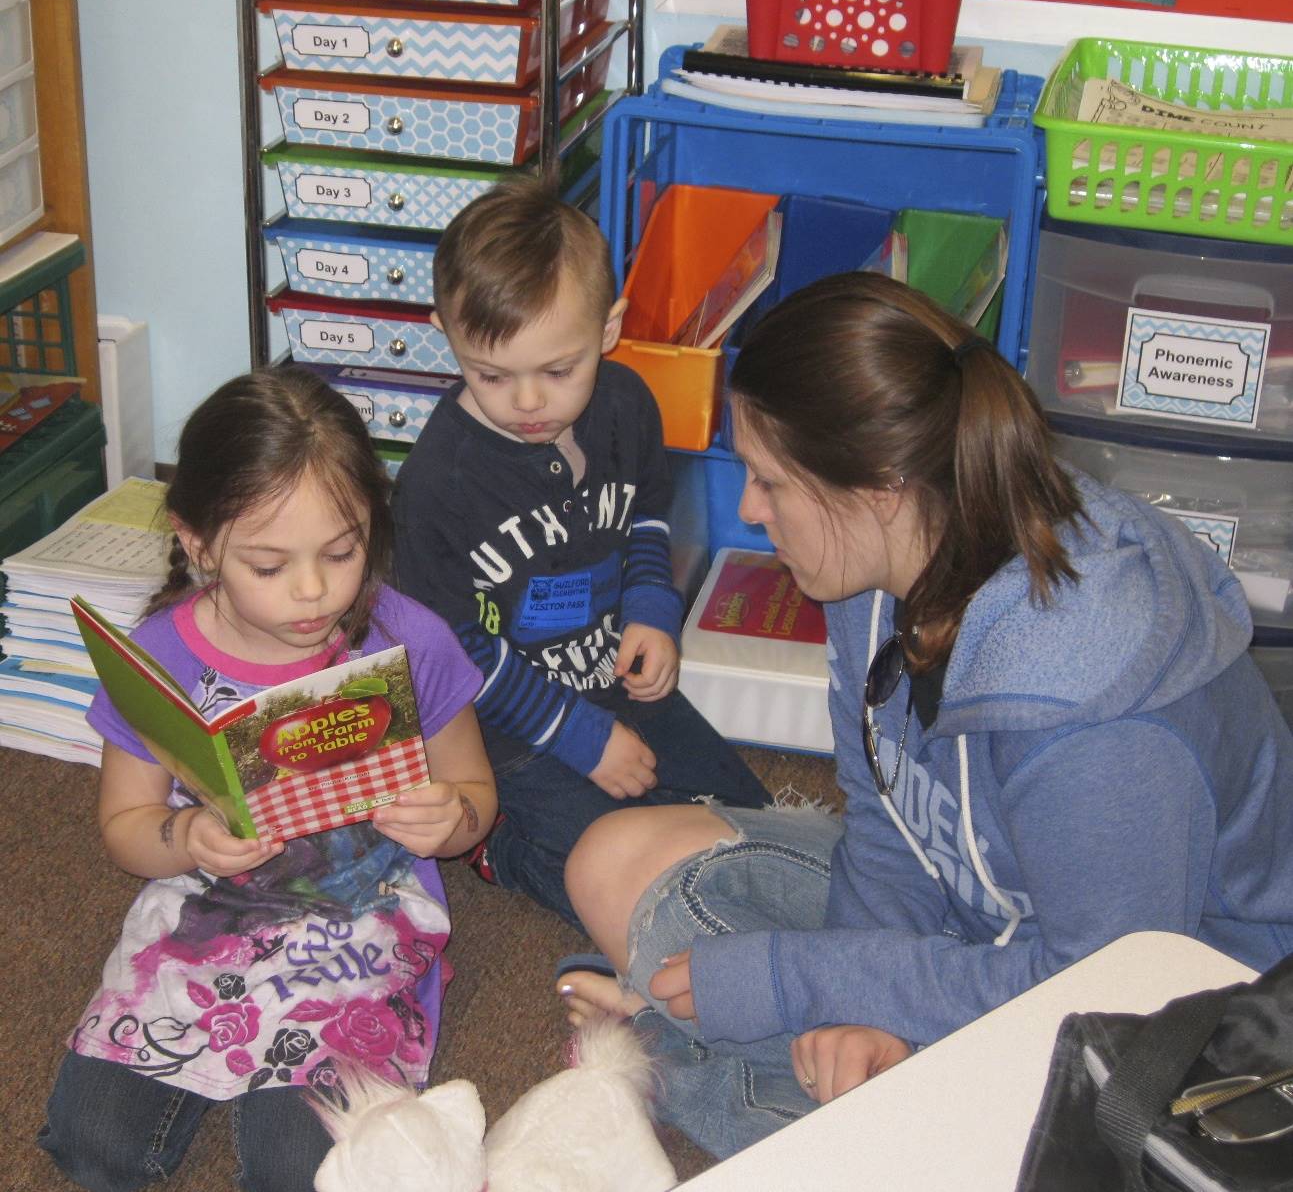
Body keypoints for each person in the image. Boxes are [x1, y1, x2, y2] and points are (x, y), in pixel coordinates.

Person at [556, 270, 1293, 1159]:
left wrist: (799, 983)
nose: (750, 511)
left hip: (1169, 1026)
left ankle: (722, 1082)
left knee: (750, 1025)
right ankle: (836, 1109)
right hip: (983, 923)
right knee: (612, 862)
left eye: (768, 481)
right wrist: (853, 1015)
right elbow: (886, 823)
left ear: (880, 488)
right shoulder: (876, 568)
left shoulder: (1100, 722)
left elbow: (1107, 1000)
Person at [39, 367, 497, 1192]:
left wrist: (452, 817)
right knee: (92, 1143)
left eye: (342, 550)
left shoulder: (407, 638)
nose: (314, 589)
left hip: (361, 916)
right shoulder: (160, 656)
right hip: (207, 908)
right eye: (268, 563)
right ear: (198, 542)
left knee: (302, 1169)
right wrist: (187, 836)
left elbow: (475, 796)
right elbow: (124, 824)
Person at [392, 175, 769, 926]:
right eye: (491, 374)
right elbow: (455, 653)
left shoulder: (627, 403)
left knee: (749, 819)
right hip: (505, 729)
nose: (528, 403)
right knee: (622, 882)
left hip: (614, 679)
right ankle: (500, 847)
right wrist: (578, 733)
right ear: (445, 332)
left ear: (607, 326)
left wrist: (653, 609)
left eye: (557, 371)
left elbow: (645, 520)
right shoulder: (438, 482)